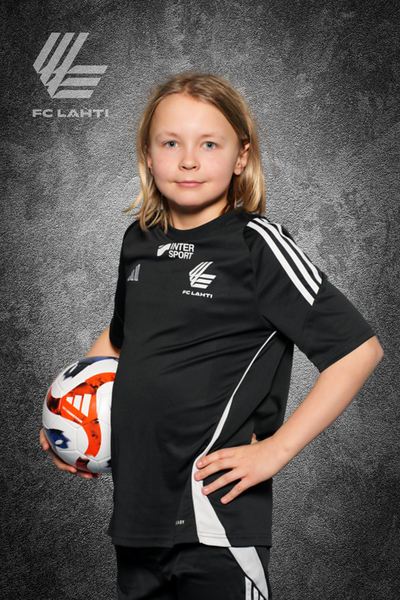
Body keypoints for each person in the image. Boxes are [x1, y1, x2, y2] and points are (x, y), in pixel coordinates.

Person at [40, 72, 383, 599]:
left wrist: (276, 451)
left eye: (209, 144)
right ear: (148, 155)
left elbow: (359, 350)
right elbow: (120, 340)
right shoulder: (139, 242)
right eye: (170, 143)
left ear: (241, 156)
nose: (188, 161)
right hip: (136, 518)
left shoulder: (256, 245)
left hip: (215, 518)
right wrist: (69, 419)